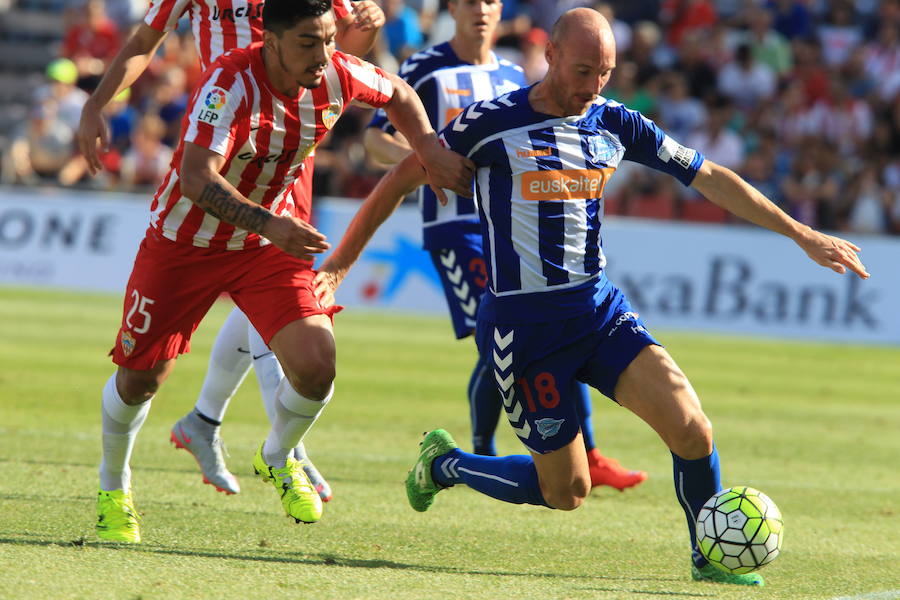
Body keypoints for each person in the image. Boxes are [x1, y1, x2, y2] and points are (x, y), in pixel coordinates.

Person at [313, 8, 869, 586]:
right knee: (566, 492)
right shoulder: (491, 123)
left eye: (603, 72)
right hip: (525, 331)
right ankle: (446, 464)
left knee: (692, 429)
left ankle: (708, 556)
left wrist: (802, 235)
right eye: (582, 70)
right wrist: (341, 263)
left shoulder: (614, 122)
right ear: (550, 55)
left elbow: (707, 176)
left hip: (598, 311)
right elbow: (402, 175)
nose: (592, 86)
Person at [94, 0, 474, 543]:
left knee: (317, 364)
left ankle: (276, 455)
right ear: (271, 41)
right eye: (308, 43)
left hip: (262, 247)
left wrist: (429, 149)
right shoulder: (228, 82)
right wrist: (272, 225)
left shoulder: (337, 71)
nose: (324, 55)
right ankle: (114, 487)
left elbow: (400, 93)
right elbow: (196, 178)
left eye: (327, 39)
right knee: (139, 379)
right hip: (185, 241)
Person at [78, 0, 386, 501]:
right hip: (221, 139)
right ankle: (212, 424)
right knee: (143, 372)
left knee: (288, 312)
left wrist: (366, 33)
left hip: (291, 142)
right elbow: (143, 42)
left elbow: (334, 58)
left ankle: (276, 444)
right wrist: (97, 103)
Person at [363, 0, 645, 491]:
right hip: (455, 227)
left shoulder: (514, 74)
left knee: (560, 326)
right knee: (506, 340)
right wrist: (432, 159)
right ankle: (478, 453)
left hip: (517, 228)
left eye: (491, 1)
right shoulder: (425, 68)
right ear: (452, 8)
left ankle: (588, 452)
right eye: (470, 2)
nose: (481, 11)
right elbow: (374, 143)